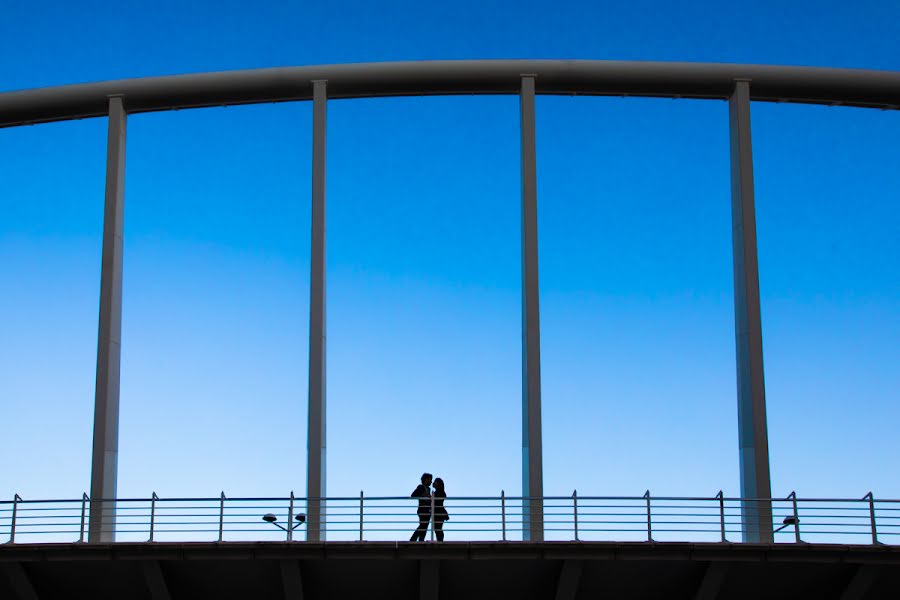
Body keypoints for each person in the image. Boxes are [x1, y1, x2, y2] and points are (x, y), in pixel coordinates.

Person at [409, 472, 432, 542]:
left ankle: (421, 539)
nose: (431, 482)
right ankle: (413, 539)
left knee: (425, 525)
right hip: (423, 509)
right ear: (426, 479)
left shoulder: (428, 489)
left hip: (427, 510)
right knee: (423, 525)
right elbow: (413, 495)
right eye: (430, 480)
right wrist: (424, 497)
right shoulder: (421, 487)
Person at [432, 477, 449, 542]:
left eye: (435, 482)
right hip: (438, 512)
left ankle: (440, 541)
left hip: (439, 512)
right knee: (437, 528)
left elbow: (438, 502)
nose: (433, 483)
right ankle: (440, 541)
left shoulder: (440, 492)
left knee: (438, 528)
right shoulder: (438, 492)